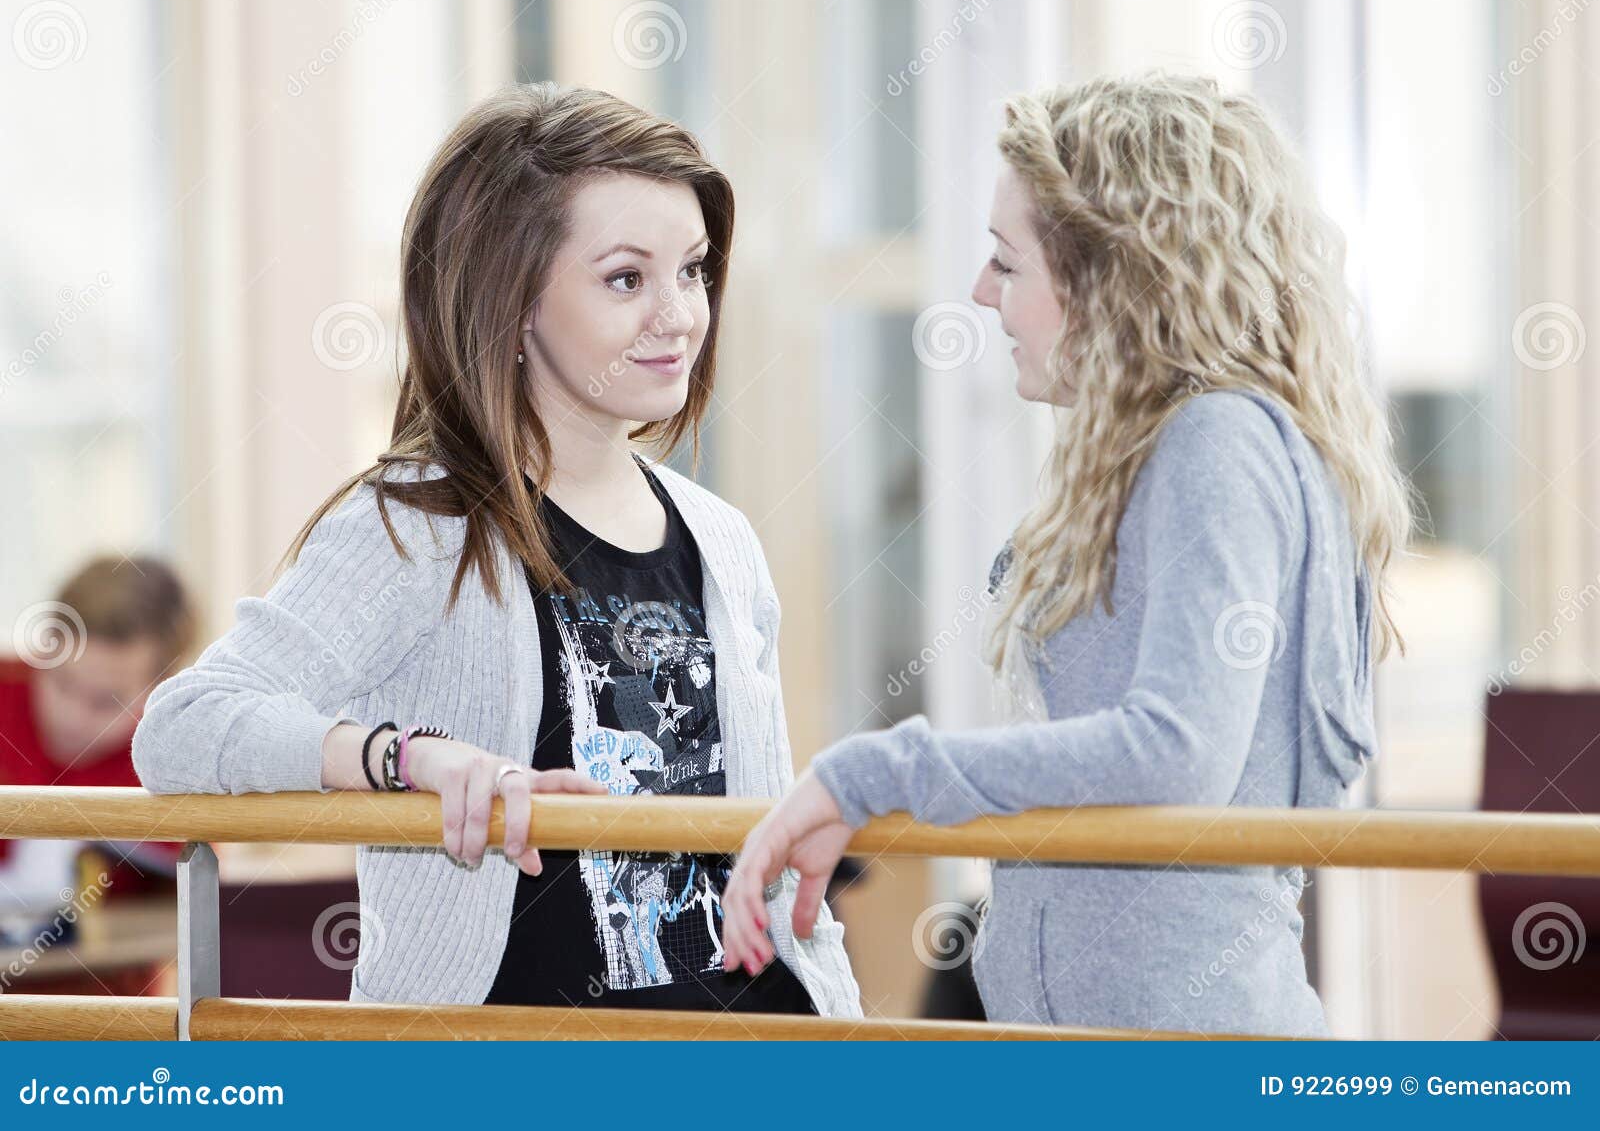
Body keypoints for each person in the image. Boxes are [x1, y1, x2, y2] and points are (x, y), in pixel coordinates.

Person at [132, 82, 861, 1018]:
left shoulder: (723, 540)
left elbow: (767, 855)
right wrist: (405, 759)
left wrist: (850, 1038)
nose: (680, 314)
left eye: (694, 271)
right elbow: (182, 726)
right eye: (627, 278)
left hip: (759, 1057)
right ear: (511, 300)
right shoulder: (415, 526)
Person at [720, 70, 1412, 1037]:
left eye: (1007, 263)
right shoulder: (1170, 447)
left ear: (1106, 279)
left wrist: (879, 770)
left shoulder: (1217, 441)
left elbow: (1177, 753)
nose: (979, 292)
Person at [1, 555, 195, 992]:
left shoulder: (171, 766)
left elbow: (193, 916)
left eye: (106, 702)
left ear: (162, 689)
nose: (71, 716)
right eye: (61, 682)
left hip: (106, 1025)